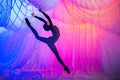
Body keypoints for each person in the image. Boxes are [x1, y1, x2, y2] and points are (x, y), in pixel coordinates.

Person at [25, 9, 70, 74]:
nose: (46, 22)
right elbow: (47, 18)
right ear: (48, 26)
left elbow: (44, 20)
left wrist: (35, 16)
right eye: (47, 23)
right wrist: (41, 12)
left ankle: (65, 67)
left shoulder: (50, 26)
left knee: (38, 37)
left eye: (46, 23)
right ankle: (29, 25)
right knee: (38, 37)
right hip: (50, 42)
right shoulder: (51, 26)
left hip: (51, 41)